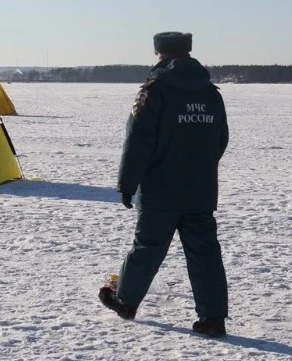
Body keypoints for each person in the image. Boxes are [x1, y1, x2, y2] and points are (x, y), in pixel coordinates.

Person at [98, 32, 230, 337]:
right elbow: (220, 140)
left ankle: (126, 300)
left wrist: (127, 183)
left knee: (147, 247)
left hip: (160, 189)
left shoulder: (154, 91)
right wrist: (201, 167)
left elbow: (138, 141)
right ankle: (213, 318)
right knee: (205, 252)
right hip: (201, 189)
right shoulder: (211, 93)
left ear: (160, 55)